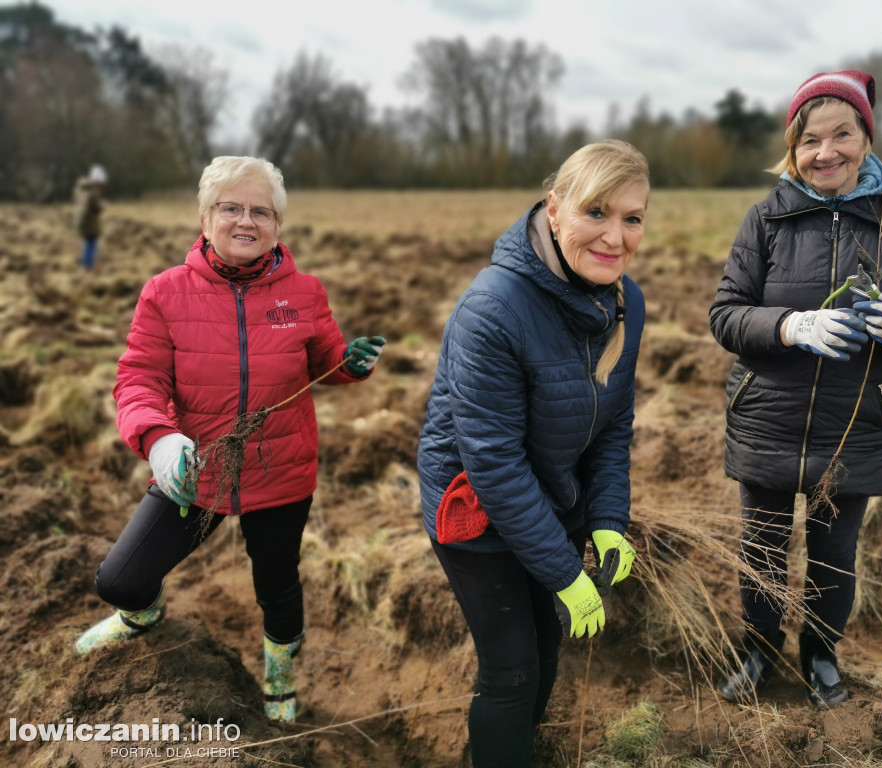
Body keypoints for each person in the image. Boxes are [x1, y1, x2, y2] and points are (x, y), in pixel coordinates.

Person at [73, 155, 387, 723]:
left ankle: (280, 681)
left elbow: (327, 361)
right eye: (232, 208)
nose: (247, 221)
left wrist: (351, 364)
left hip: (280, 469)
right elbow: (138, 378)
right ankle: (141, 615)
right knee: (120, 579)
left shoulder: (306, 292)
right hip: (198, 468)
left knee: (278, 584)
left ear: (278, 224)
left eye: (261, 211)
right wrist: (160, 439)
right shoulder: (165, 293)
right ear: (205, 216)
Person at [709, 71, 882, 708]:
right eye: (810, 139)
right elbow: (725, 315)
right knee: (760, 550)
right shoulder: (767, 218)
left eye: (842, 134)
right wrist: (791, 325)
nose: (827, 152)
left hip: (856, 424)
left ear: (866, 137)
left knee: (834, 555)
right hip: (768, 418)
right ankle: (759, 651)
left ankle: (819, 654)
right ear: (793, 147)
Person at [418, 139, 648, 766]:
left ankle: (518, 748)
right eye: (595, 213)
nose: (615, 237)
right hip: (476, 511)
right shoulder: (493, 309)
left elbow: (612, 426)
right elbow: (492, 463)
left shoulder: (625, 301)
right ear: (554, 209)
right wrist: (566, 572)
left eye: (632, 218)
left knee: (546, 645)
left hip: (549, 495)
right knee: (512, 665)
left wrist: (605, 521)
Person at [74, 163, 107, 269]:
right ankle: (87, 266)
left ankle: (85, 264)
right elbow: (95, 207)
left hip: (83, 221)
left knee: (87, 243)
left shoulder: (82, 189)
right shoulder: (93, 192)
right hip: (90, 223)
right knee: (91, 244)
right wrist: (103, 205)